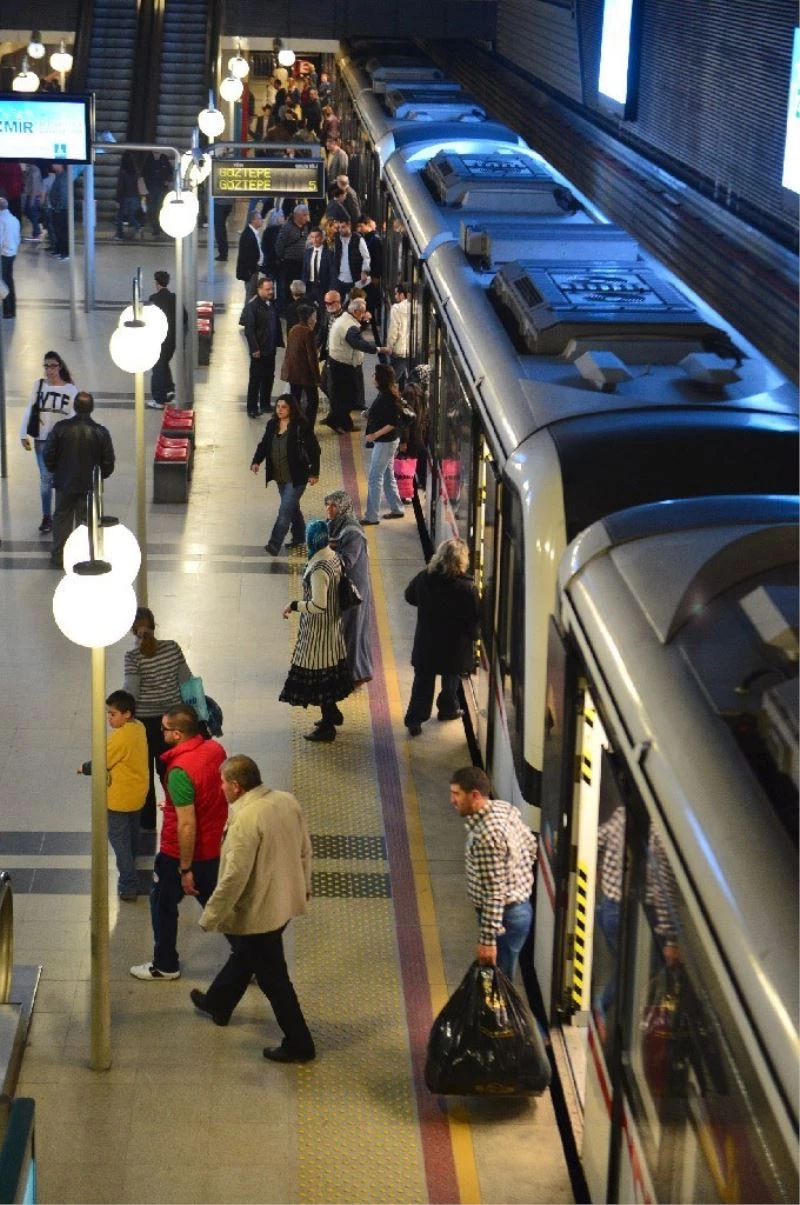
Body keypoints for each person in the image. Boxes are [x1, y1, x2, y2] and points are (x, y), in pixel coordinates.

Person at [192, 755, 316, 1062]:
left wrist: (211, 915)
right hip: (285, 900)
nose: (220, 788)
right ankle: (218, 1002)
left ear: (236, 786)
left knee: (275, 980)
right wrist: (305, 886)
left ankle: (300, 1044)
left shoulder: (245, 819)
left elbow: (235, 876)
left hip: (261, 910)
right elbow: (305, 848)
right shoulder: (286, 800)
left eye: (223, 783)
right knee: (246, 954)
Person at [130, 704, 227, 981]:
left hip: (181, 853)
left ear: (177, 734)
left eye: (164, 729)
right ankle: (253, 957)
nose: (161, 733)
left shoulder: (179, 771)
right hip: (213, 847)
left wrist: (185, 869)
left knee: (162, 904)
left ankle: (165, 964)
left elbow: (187, 823)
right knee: (220, 907)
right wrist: (173, 802)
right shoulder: (215, 751)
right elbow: (207, 793)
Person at [449, 766, 537, 979]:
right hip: (515, 910)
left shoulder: (486, 837)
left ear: (475, 795)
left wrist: (487, 941)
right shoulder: (502, 809)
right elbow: (531, 844)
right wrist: (516, 876)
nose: (452, 800)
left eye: (456, 794)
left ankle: (500, 1014)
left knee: (498, 983)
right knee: (496, 980)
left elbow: (495, 893)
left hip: (504, 918)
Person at [280, 519, 353, 741]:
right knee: (328, 676)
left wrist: (294, 606)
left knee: (319, 678)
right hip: (332, 628)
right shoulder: (333, 556)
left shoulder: (318, 569)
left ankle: (328, 726)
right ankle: (331, 712)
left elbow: (318, 605)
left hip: (318, 634)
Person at [122, 607, 193, 831]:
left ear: (133, 630)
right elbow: (187, 681)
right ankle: (175, 814)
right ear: (154, 624)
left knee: (144, 774)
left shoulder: (133, 657)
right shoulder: (172, 648)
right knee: (171, 771)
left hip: (144, 724)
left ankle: (147, 823)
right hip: (171, 724)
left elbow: (131, 691)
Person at [403, 537, 479, 735]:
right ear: (462, 561)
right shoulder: (467, 588)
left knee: (422, 682)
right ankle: (448, 709)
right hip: (453, 648)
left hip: (427, 644)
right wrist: (475, 636)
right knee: (451, 679)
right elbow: (473, 620)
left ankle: (415, 719)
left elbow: (409, 596)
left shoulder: (424, 578)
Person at [77, 690, 148, 902]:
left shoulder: (121, 737)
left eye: (113, 714)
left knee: (119, 841)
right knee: (132, 835)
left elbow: (102, 760)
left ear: (127, 714)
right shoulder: (139, 727)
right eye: (108, 713)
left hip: (119, 799)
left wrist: (84, 768)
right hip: (137, 795)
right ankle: (131, 866)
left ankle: (128, 884)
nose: (109, 718)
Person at [43, 391, 115, 569]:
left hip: (64, 483)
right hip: (89, 486)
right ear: (92, 408)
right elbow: (108, 462)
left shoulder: (60, 428)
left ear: (74, 407)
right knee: (86, 521)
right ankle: (83, 557)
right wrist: (99, 476)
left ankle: (59, 557)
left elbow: (48, 454)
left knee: (61, 519)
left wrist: (56, 470)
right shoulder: (100, 432)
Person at [250, 394, 320, 556]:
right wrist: (256, 461)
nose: (280, 410)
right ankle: (300, 535)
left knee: (285, 510)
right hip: (280, 476)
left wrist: (314, 472)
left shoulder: (301, 427)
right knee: (292, 507)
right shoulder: (272, 424)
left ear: (291, 409)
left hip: (297, 478)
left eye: (284, 407)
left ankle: (274, 543)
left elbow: (314, 450)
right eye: (278, 407)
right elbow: (264, 445)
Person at [19, 351, 77, 533]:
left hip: (61, 442)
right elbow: (30, 409)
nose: (49, 370)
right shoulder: (38, 386)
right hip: (42, 440)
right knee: (46, 479)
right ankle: (47, 516)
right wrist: (23, 433)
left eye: (53, 366)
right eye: (46, 366)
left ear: (59, 367)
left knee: (59, 479)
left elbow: (73, 415)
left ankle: (59, 515)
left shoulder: (70, 390)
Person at [325, 490, 372, 687]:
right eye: (327, 505)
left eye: (333, 506)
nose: (329, 509)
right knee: (346, 630)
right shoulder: (337, 526)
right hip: (344, 586)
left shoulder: (352, 532)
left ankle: (357, 675)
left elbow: (347, 561)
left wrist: (325, 554)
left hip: (354, 590)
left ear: (342, 507)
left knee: (353, 631)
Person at [321, 298, 381, 434]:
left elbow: (357, 330)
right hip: (342, 366)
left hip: (343, 363)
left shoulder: (347, 319)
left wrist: (365, 321)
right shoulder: (348, 325)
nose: (364, 314)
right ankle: (334, 420)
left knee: (348, 396)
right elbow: (357, 342)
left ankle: (345, 424)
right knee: (347, 397)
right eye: (362, 312)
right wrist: (377, 349)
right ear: (355, 311)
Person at [361, 364, 407, 525]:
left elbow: (392, 423)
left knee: (375, 479)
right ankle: (397, 508)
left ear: (380, 378)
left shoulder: (388, 397)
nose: (372, 376)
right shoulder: (386, 394)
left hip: (385, 443)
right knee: (388, 476)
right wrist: (368, 414)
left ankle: (371, 516)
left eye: (374, 374)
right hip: (387, 443)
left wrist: (374, 435)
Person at [243, 277, 284, 417]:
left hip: (270, 348)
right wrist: (254, 348)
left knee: (268, 377)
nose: (271, 292)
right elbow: (249, 329)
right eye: (267, 289)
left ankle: (265, 404)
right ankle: (252, 407)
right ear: (259, 289)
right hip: (259, 350)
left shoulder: (271, 304)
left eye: (272, 289)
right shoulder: (252, 306)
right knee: (256, 379)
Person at [147, 270, 182, 410]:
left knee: (157, 368)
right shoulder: (174, 298)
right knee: (164, 363)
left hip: (158, 339)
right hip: (171, 340)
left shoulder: (153, 299)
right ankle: (169, 390)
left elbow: (148, 319)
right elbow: (184, 317)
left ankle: (159, 399)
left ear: (156, 283)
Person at [281, 304, 322, 426]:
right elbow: (312, 358)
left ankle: (294, 424)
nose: (315, 320)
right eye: (314, 317)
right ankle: (308, 426)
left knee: (295, 400)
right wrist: (317, 379)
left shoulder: (294, 329)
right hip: (305, 375)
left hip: (293, 373)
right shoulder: (308, 332)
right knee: (313, 401)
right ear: (309, 318)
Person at [274, 203, 310, 314]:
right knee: (289, 287)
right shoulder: (287, 227)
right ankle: (289, 310)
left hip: (302, 262)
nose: (306, 217)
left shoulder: (305, 227)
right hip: (290, 263)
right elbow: (279, 245)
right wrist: (282, 257)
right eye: (304, 215)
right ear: (297, 215)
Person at [330, 217, 370, 303]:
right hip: (339, 279)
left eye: (343, 227)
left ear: (349, 226)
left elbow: (366, 257)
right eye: (339, 227)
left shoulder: (358, 239)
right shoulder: (337, 238)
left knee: (353, 304)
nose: (340, 229)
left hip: (353, 279)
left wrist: (364, 271)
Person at [384, 281, 411, 388]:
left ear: (402, 294)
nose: (395, 296)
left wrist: (389, 346)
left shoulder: (397, 308)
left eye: (396, 294)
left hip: (399, 351)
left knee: (390, 382)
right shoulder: (418, 307)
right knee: (404, 381)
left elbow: (393, 331)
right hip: (411, 351)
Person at [236, 211, 264, 303]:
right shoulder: (248, 234)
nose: (261, 220)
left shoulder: (253, 232)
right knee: (250, 295)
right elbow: (247, 256)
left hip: (253, 270)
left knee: (252, 294)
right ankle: (247, 315)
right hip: (250, 271)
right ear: (253, 220)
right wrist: (251, 271)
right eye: (259, 218)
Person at [114, 151, 143, 241]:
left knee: (120, 216)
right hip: (135, 197)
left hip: (125, 197)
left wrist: (117, 199)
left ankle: (119, 234)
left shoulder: (123, 172)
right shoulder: (136, 171)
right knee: (131, 216)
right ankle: (138, 227)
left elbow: (120, 186)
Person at [302, 227, 333, 313]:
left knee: (323, 311)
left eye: (317, 237)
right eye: (312, 237)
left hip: (322, 287)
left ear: (322, 238)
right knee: (308, 311)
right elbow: (304, 271)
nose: (314, 239)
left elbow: (332, 272)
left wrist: (331, 289)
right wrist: (303, 285)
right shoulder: (307, 252)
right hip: (309, 286)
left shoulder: (328, 253)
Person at [0, 196, 21, 319]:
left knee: (4, 283)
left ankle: (7, 309)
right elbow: (17, 238)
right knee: (9, 280)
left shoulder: (1, 221)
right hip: (12, 253)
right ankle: (11, 309)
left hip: (3, 254)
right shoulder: (14, 219)